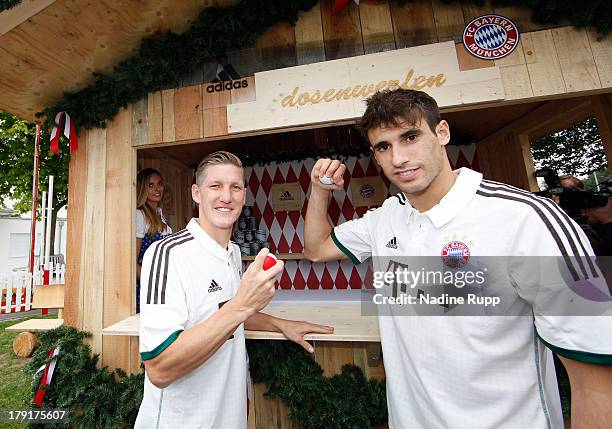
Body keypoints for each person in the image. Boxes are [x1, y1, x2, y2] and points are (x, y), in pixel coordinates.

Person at [304, 89, 612, 428]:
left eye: (410, 136)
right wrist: (319, 189)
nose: (399, 158)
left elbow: (596, 382)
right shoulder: (385, 219)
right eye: (384, 146)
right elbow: (317, 249)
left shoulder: (526, 219)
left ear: (442, 133)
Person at [135, 151, 333, 428]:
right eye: (215, 186)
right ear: (196, 193)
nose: (226, 196)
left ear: (244, 194)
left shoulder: (234, 252)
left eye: (235, 187)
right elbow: (159, 367)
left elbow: (223, 311)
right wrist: (242, 303)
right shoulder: (167, 254)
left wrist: (281, 325)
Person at [135, 168, 173, 313]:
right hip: (150, 288)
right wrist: (151, 285)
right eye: (150, 185)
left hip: (164, 284)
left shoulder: (159, 213)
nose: (157, 189)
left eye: (159, 184)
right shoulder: (140, 215)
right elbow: (132, 261)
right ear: (142, 188)